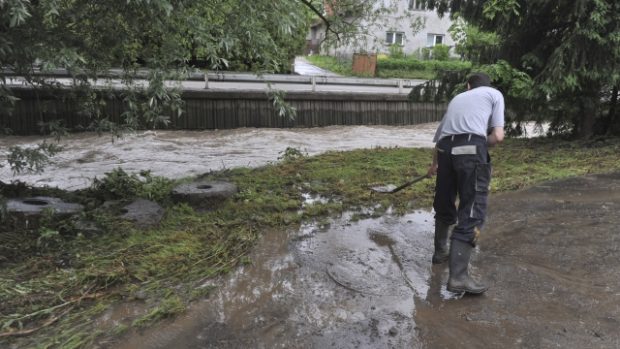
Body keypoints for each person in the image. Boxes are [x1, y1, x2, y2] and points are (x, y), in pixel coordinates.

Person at [426, 72, 505, 294]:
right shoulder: (494, 94)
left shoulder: (457, 99)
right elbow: (498, 136)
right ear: (486, 85)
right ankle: (458, 278)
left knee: (444, 203)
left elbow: (441, 138)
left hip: (445, 151)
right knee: (471, 210)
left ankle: (440, 252)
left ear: (468, 86)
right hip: (470, 149)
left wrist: (435, 165)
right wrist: (480, 144)